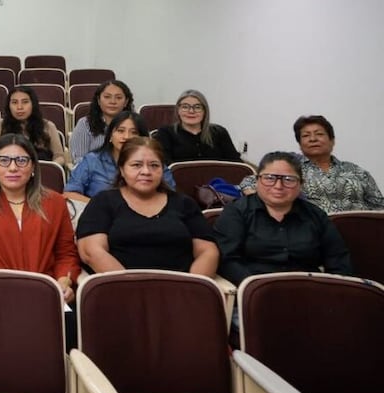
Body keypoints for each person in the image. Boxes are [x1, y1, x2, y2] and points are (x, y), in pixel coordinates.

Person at [0, 134, 79, 302]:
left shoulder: (54, 202)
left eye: (21, 160)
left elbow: (66, 254)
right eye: (4, 160)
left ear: (33, 166)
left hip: (43, 295)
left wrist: (64, 282)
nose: (13, 168)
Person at [76, 137, 219, 275]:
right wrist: (135, 287)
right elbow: (91, 251)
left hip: (180, 291)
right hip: (120, 290)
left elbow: (208, 251)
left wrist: (191, 288)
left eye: (154, 165)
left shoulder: (184, 203)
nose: (146, 172)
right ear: (122, 170)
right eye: (136, 165)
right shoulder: (103, 202)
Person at [216, 151, 353, 286]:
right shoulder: (237, 212)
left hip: (308, 290)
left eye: (288, 179)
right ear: (257, 180)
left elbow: (338, 260)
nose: (278, 186)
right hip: (257, 292)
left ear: (301, 184)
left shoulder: (315, 215)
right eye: (269, 178)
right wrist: (258, 287)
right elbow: (227, 260)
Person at [239, 115, 384, 214]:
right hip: (309, 232)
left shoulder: (355, 171)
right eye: (306, 136)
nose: (313, 139)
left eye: (319, 134)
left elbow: (379, 205)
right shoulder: (290, 168)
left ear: (332, 141)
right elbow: (249, 183)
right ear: (300, 144)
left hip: (360, 231)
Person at [64, 111, 175, 203]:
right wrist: (98, 207)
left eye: (134, 132)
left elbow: (170, 195)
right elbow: (70, 193)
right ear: (110, 136)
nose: (126, 137)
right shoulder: (92, 160)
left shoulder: (153, 163)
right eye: (120, 131)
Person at [0, 85, 67, 166]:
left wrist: (46, 167)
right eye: (14, 102)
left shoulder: (48, 126)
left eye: (25, 102)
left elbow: (59, 156)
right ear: (9, 106)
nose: (19, 107)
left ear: (33, 104)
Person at [154, 89, 241, 162]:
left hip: (217, 181)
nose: (191, 111)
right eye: (185, 107)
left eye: (197, 107)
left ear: (205, 111)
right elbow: (165, 167)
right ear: (178, 110)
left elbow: (235, 163)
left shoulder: (219, 132)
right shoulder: (165, 133)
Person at [69, 79, 134, 163]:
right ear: (99, 100)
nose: (113, 102)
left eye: (118, 98)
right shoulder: (85, 124)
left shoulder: (135, 123)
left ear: (126, 102)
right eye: (107, 97)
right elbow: (79, 159)